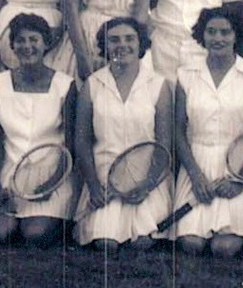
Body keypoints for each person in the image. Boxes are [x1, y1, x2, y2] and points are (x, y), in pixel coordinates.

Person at [172, 7, 243, 257]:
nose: (218, 38)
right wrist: (195, 175)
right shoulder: (185, 75)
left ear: (236, 35)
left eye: (225, 32)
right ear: (202, 36)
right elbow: (177, 129)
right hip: (197, 166)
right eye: (212, 32)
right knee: (191, 244)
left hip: (240, 167)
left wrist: (241, 179)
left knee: (223, 248)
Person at [74, 17, 173, 253]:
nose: (122, 45)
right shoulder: (93, 84)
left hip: (148, 179)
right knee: (105, 243)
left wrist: (147, 185)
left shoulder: (159, 85)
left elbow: (164, 144)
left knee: (143, 241)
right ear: (104, 46)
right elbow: (82, 141)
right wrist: (94, 186)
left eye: (129, 39)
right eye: (114, 40)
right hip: (104, 178)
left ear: (141, 44)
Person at [0, 14, 78, 247]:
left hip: (53, 174)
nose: (27, 46)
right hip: (11, 175)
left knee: (35, 234)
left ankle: (57, 219)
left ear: (46, 44)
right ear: (12, 46)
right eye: (21, 41)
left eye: (34, 39)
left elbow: (72, 144)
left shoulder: (65, 85)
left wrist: (53, 182)